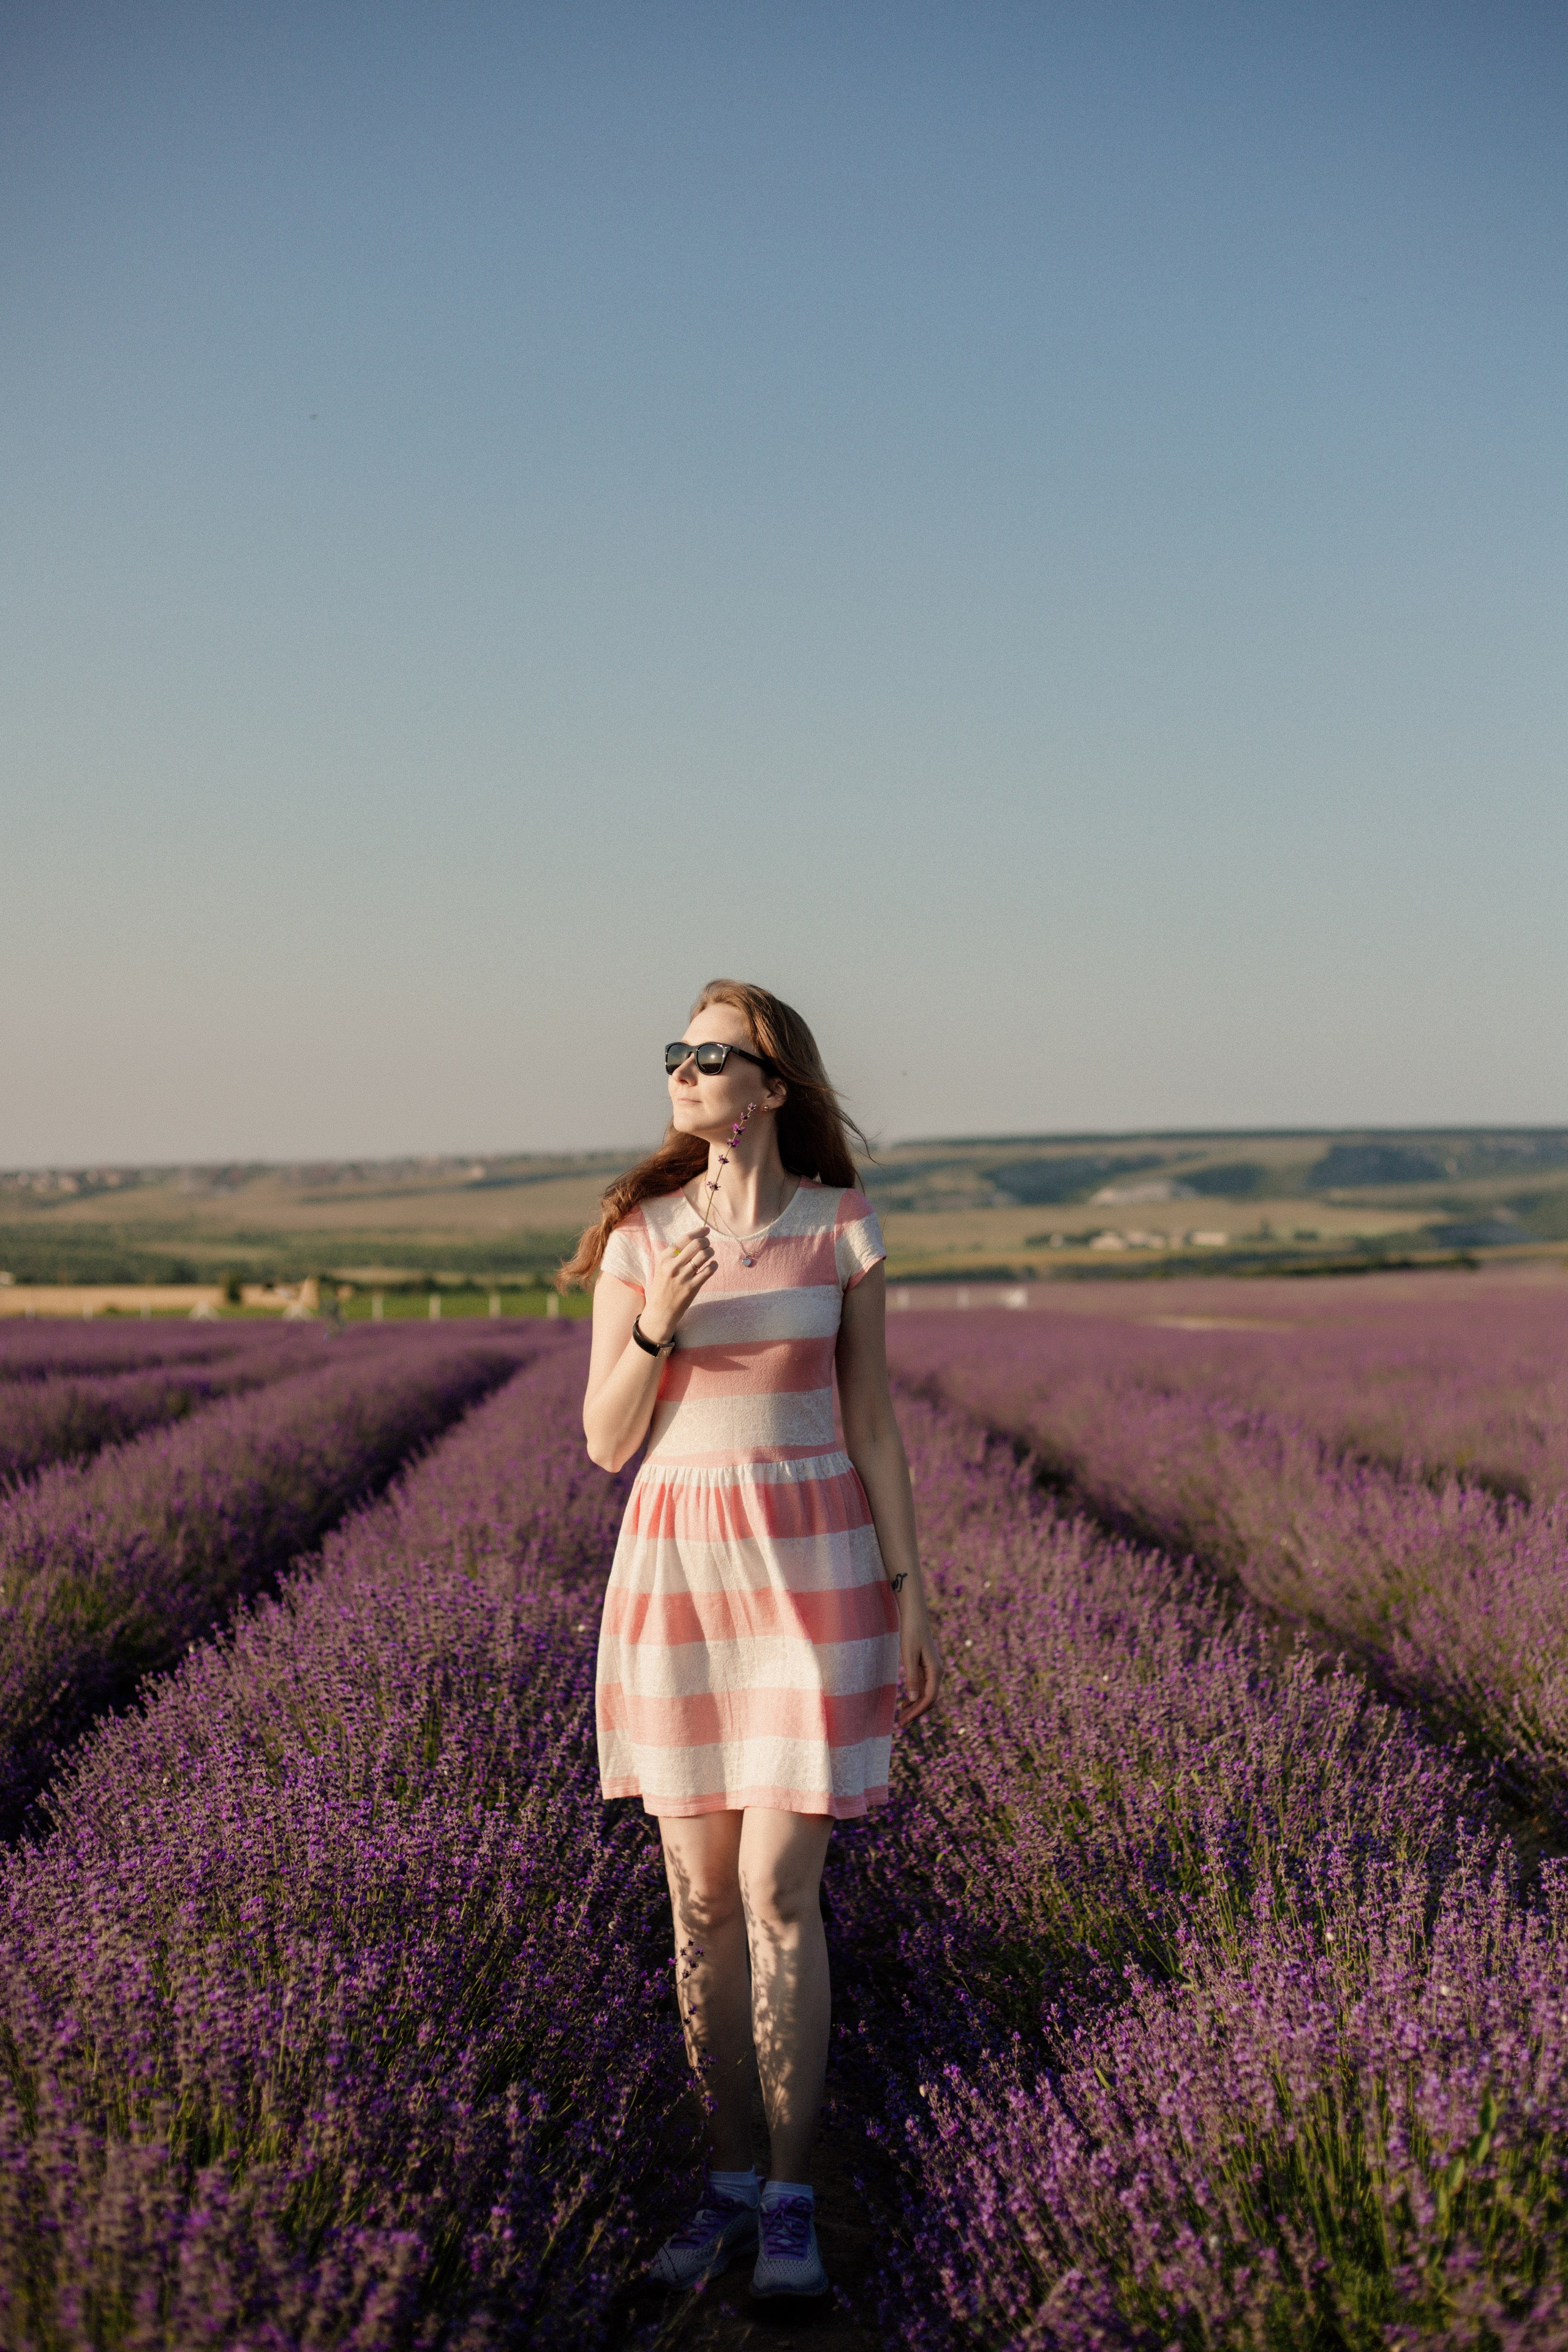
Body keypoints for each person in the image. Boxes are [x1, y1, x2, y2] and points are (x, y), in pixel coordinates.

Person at [565, 978, 943, 2302]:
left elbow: (874, 1421)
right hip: (677, 1575)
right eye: (676, 1050)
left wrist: (912, 1594)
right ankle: (726, 2177)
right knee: (701, 1899)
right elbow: (606, 1440)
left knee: (782, 1892)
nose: (683, 1069)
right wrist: (657, 1319)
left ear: (772, 1088)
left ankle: (789, 2196)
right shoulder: (641, 1234)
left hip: (812, 1574)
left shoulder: (840, 1227)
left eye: (712, 1054)